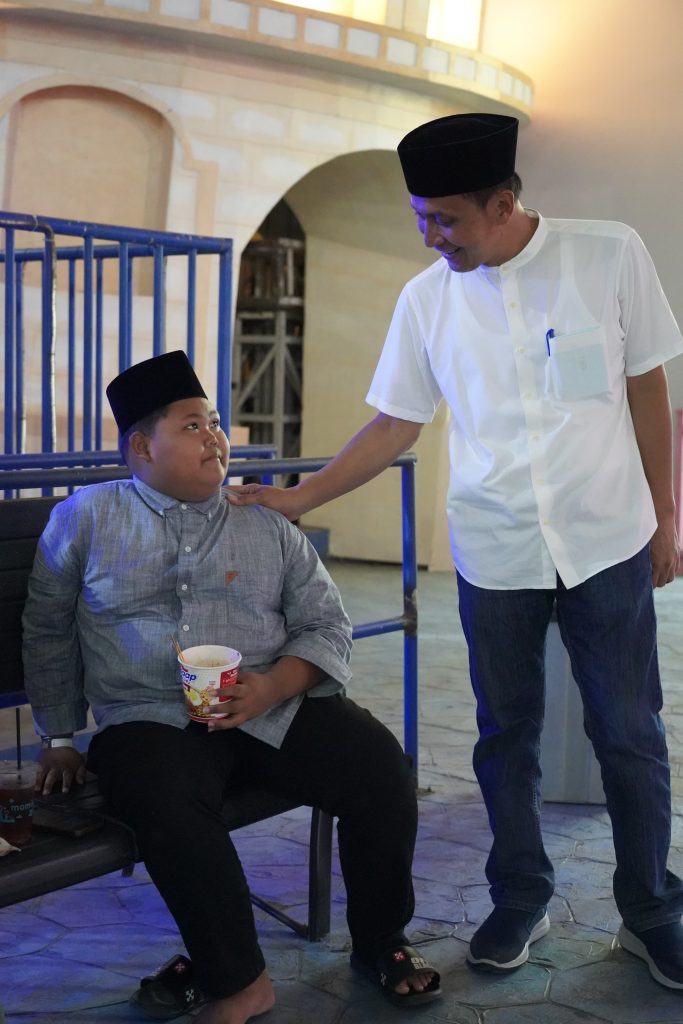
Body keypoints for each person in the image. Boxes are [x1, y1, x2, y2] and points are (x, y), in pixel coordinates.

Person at [228, 113, 683, 990]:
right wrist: (300, 497)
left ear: (502, 203)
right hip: (494, 547)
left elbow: (646, 385)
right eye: (420, 219)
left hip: (606, 538)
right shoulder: (425, 300)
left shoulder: (607, 253)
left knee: (628, 733)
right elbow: (393, 422)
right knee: (503, 735)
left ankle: (651, 910)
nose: (431, 237)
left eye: (446, 220)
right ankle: (519, 896)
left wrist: (667, 516)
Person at [22, 350, 441, 1024]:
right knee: (162, 797)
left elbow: (326, 623)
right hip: (151, 718)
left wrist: (273, 686)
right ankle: (238, 980)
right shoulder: (86, 519)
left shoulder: (260, 517)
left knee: (380, 769)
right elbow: (47, 629)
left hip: (272, 706)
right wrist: (61, 736)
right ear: (141, 447)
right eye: (192, 426)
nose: (214, 437)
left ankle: (380, 939)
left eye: (215, 422)